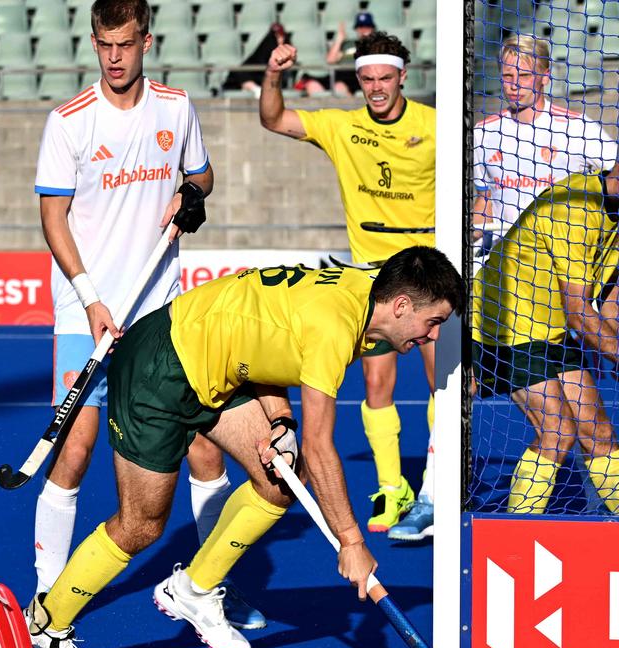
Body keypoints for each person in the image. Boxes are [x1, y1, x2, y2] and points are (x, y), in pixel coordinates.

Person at [26, 247, 464, 648]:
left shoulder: (367, 294)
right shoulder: (337, 326)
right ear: (402, 305)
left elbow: (274, 341)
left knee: (279, 484)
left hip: (217, 366)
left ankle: (193, 589)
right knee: (141, 525)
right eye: (433, 323)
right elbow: (319, 446)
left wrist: (280, 422)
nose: (432, 337)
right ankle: (48, 626)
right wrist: (350, 541)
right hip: (159, 367)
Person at [30, 0, 264, 648]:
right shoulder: (69, 121)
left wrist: (193, 197)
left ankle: (208, 581)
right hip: (86, 308)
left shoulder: (175, 107)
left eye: (124, 44)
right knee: (72, 448)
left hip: (162, 312)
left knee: (200, 440)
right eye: (103, 44)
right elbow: (53, 216)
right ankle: (47, 609)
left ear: (145, 42)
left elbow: (202, 175)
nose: (113, 56)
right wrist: (91, 296)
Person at [258, 31, 438, 540]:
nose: (376, 87)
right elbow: (273, 118)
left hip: (428, 275)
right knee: (376, 386)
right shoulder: (342, 127)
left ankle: (435, 489)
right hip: (375, 283)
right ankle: (392, 486)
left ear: (403, 76)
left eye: (385, 77)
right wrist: (275, 74)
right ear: (357, 80)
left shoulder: (436, 126)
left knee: (441, 384)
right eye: (366, 79)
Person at [472, 166, 619, 515]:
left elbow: (610, 298)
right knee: (557, 431)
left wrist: (610, 347)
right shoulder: (576, 207)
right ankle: (514, 536)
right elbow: (579, 313)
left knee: (598, 432)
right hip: (506, 321)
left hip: (551, 326)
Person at [473, 34, 619, 257]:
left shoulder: (576, 127)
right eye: (507, 75)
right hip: (504, 261)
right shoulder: (484, 133)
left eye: (524, 75)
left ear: (545, 76)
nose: (514, 84)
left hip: (563, 260)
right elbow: (487, 200)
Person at [298, 11, 376, 96]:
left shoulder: (375, 45)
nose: (363, 30)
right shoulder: (347, 44)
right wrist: (339, 39)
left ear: (372, 28)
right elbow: (330, 60)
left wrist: (369, 41)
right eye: (360, 27)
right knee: (312, 85)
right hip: (339, 76)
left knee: (339, 87)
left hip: (356, 78)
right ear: (356, 29)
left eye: (367, 27)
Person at [222, 22, 291, 97]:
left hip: (269, 76)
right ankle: (255, 89)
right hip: (257, 73)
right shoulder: (266, 45)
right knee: (237, 73)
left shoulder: (286, 49)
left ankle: (255, 89)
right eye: (277, 37)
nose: (280, 39)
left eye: (281, 36)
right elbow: (257, 60)